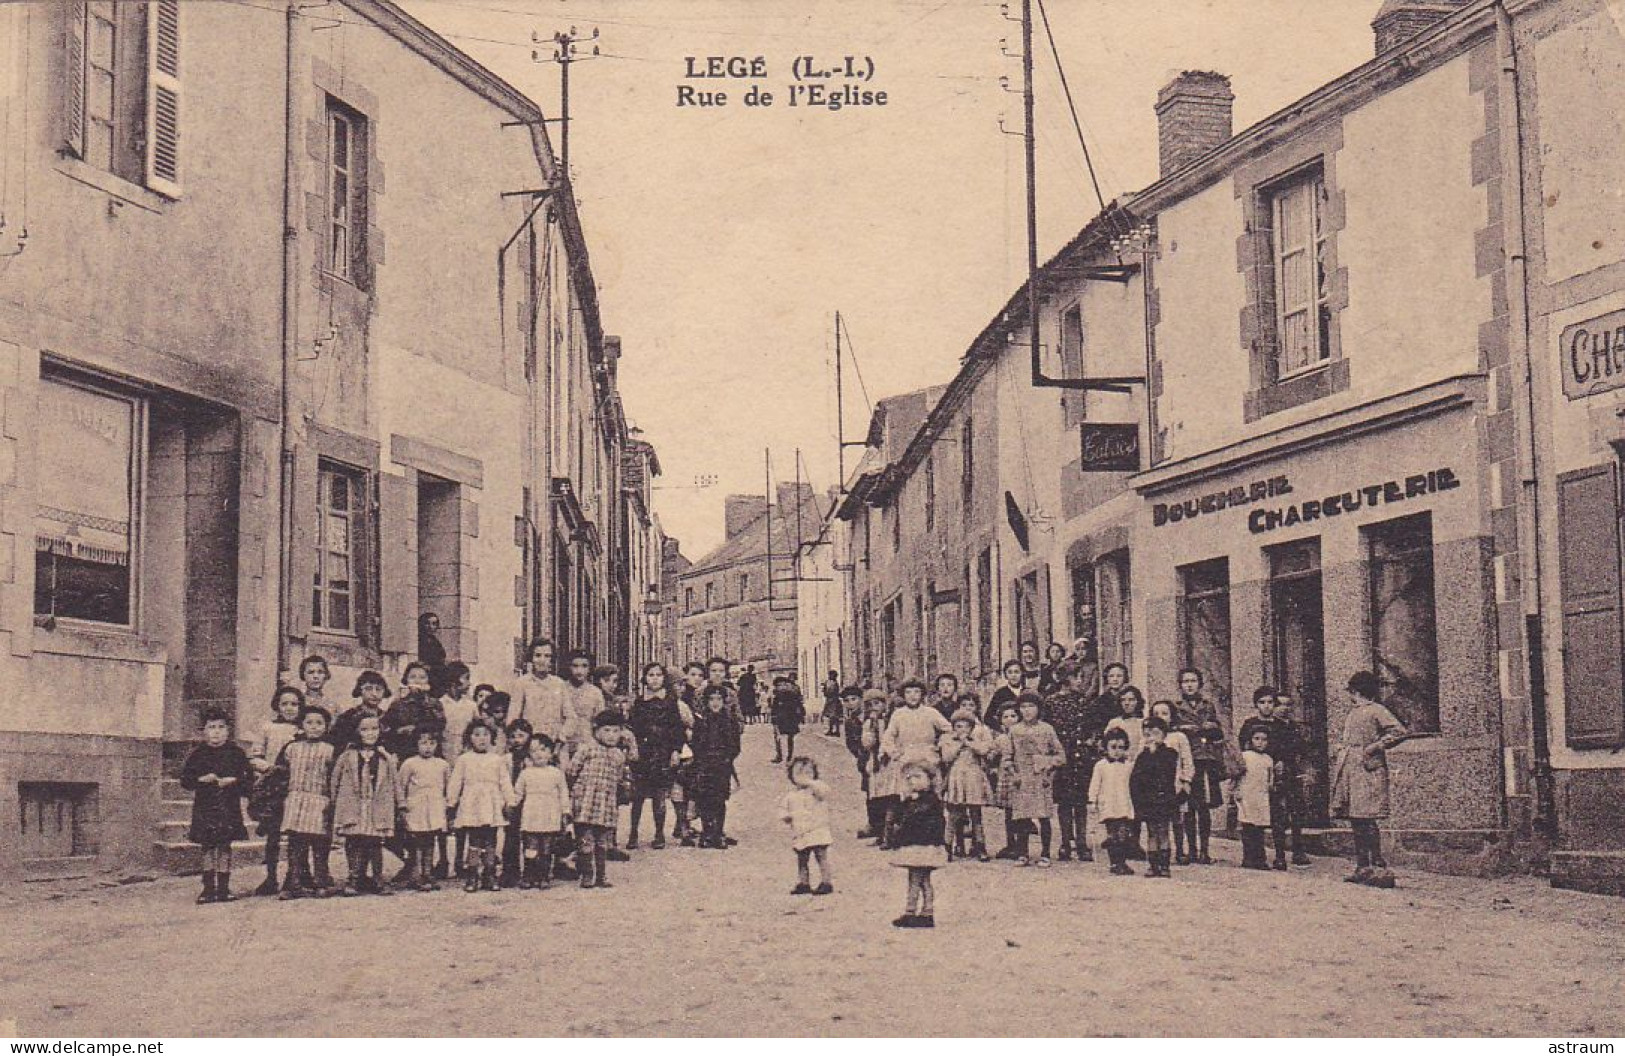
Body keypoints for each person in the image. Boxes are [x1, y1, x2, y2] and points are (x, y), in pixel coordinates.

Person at [1330, 671, 1409, 888]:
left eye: (1352, 691)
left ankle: (1377, 865)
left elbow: (1399, 731)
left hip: (1368, 769)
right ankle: (1362, 866)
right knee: (1356, 818)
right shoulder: (1355, 712)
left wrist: (1375, 747)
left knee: (1367, 817)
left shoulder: (1376, 710)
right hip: (1351, 768)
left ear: (1357, 691)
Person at [181, 707, 251, 904]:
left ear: (228, 731)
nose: (217, 731)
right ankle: (208, 888)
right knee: (207, 846)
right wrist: (201, 779)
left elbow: (248, 781)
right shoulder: (198, 754)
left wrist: (233, 781)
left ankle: (224, 888)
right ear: (204, 731)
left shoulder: (236, 753)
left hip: (228, 806)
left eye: (221, 727)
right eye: (212, 727)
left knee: (224, 846)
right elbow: (185, 781)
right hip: (205, 807)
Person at [331, 712, 401, 897]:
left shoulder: (385, 757)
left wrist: (399, 803)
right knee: (354, 841)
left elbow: (395, 782)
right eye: (364, 729)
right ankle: (354, 878)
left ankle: (378, 878)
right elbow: (335, 781)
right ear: (356, 731)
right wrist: (335, 803)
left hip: (376, 805)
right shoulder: (347, 756)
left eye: (374, 729)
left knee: (375, 842)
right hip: (354, 804)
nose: (370, 733)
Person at [1239, 687, 1309, 868]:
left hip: (1279, 774)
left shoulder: (1282, 726)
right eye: (1262, 702)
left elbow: (1290, 748)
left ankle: (1281, 855)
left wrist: (1281, 762)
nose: (1267, 706)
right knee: (1253, 815)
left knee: (1280, 814)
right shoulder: (1249, 724)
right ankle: (1254, 855)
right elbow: (1243, 749)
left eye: (1271, 702)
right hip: (1256, 776)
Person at [448, 718, 515, 893]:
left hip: (491, 803)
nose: (481, 738)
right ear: (469, 738)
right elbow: (456, 782)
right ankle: (472, 875)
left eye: (486, 734)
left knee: (491, 839)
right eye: (477, 735)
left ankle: (489, 874)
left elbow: (504, 782)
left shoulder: (497, 759)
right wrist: (451, 802)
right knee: (475, 839)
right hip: (472, 803)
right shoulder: (464, 759)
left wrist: (510, 801)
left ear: (492, 737)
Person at [248, 685, 304, 896]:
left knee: (295, 835)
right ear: (277, 706)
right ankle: (271, 877)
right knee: (273, 834)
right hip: (274, 787)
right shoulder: (267, 728)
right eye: (285, 704)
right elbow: (254, 757)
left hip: (296, 787)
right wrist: (269, 769)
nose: (289, 708)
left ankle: (294, 876)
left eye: (294, 704)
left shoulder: (304, 728)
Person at [278, 703, 338, 899]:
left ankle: (321, 882)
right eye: (309, 722)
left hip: (320, 800)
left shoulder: (330, 750)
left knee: (320, 844)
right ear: (301, 725)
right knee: (296, 844)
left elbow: (334, 777)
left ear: (326, 727)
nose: (314, 727)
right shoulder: (291, 748)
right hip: (296, 800)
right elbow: (280, 773)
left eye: (319, 723)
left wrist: (332, 800)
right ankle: (292, 883)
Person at [567, 710, 630, 889]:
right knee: (585, 841)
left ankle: (601, 876)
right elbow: (572, 771)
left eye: (616, 731)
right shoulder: (587, 748)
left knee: (602, 842)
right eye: (607, 730)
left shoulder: (618, 755)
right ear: (596, 731)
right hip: (585, 803)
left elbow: (618, 779)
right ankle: (587, 874)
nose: (611, 736)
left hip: (605, 805)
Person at [627, 662, 684, 851]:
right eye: (650, 675)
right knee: (638, 796)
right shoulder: (639, 702)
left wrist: (676, 751)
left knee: (660, 796)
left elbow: (677, 728)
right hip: (643, 754)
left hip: (662, 754)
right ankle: (633, 832)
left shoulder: (670, 702)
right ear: (645, 678)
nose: (655, 679)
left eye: (658, 675)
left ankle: (659, 833)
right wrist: (633, 748)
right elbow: (632, 727)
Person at [1046, 665, 1098, 862]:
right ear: (1066, 679)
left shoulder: (1084, 702)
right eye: (1077, 677)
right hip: (1062, 758)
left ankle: (1082, 843)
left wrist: (1091, 742)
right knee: (1064, 803)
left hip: (1081, 757)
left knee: (1081, 803)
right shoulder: (1051, 703)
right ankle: (1065, 843)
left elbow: (1092, 728)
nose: (1080, 681)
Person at [1175, 668, 1226, 864]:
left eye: (1193, 681)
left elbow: (1218, 731)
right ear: (1180, 685)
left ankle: (1205, 850)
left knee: (1204, 806)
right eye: (1185, 681)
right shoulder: (1177, 706)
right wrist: (1183, 728)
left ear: (1200, 684)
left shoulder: (1208, 705)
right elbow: (1170, 728)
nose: (1189, 685)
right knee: (1188, 808)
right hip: (1188, 760)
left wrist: (1211, 728)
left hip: (1206, 760)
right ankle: (1192, 850)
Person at [1008, 692, 1064, 866]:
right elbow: (1007, 756)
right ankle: (1022, 853)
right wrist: (1014, 773)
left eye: (1031, 706)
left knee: (1043, 816)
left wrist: (1048, 767)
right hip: (1022, 778)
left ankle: (1045, 852)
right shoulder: (1014, 730)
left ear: (1039, 709)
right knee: (1022, 817)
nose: (1027, 711)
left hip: (1041, 777)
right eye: (1023, 707)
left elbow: (1060, 756)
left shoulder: (1047, 729)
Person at [890, 762, 947, 928]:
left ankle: (911, 911)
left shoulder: (930, 801)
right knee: (923, 880)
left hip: (922, 846)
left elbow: (915, 820)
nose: (912, 781)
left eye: (918, 777)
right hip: (920, 846)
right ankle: (927, 912)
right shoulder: (915, 800)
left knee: (915, 879)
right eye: (909, 778)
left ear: (930, 779)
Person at [513, 734, 571, 888]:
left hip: (550, 814)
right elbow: (518, 793)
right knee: (530, 847)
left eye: (543, 749)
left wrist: (565, 811)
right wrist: (511, 804)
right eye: (534, 751)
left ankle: (543, 876)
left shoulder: (556, 773)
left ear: (551, 752)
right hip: (531, 814)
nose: (539, 754)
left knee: (546, 848)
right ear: (529, 754)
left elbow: (563, 793)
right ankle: (528, 875)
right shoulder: (526, 773)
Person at [396, 730, 450, 891]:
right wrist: (402, 807)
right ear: (416, 744)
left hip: (434, 806)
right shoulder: (410, 763)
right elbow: (401, 786)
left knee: (430, 841)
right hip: (416, 806)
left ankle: (428, 873)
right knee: (416, 842)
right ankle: (416, 875)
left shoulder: (442, 764)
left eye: (432, 743)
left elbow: (447, 787)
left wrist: (446, 806)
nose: (428, 747)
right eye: (423, 743)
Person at [940, 706, 995, 861]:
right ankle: (947, 847)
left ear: (971, 728)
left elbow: (984, 750)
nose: (962, 730)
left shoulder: (975, 741)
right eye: (958, 726)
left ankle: (980, 846)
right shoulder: (948, 741)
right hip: (957, 779)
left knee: (976, 815)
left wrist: (969, 743)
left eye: (966, 726)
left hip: (973, 780)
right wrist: (959, 745)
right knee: (953, 815)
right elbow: (946, 758)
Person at [690, 685, 742, 849]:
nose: (715, 703)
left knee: (719, 800)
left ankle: (718, 834)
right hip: (704, 765)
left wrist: (727, 758)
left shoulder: (729, 720)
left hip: (722, 765)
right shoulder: (701, 721)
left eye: (719, 699)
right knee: (705, 799)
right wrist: (700, 759)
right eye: (711, 699)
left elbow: (735, 745)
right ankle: (706, 833)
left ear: (724, 701)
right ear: (706, 702)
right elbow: (695, 743)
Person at [437, 662, 476, 879]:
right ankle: (443, 859)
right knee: (443, 813)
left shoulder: (470, 706)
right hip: (444, 760)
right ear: (454, 681)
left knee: (462, 814)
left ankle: (461, 858)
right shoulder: (440, 704)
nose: (468, 683)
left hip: (463, 763)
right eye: (465, 678)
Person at [1130, 716, 1181, 878]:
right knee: (1152, 832)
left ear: (1164, 735)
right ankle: (1153, 864)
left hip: (1165, 799)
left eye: (1155, 733)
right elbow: (1136, 778)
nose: (1151, 737)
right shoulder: (1142, 756)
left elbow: (1168, 772)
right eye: (1147, 734)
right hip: (1148, 800)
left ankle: (1165, 865)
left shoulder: (1170, 753)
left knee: (1164, 831)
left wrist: (1153, 754)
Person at [1149, 700, 1195, 863]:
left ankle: (1180, 850)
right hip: (1155, 787)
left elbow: (1187, 760)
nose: (1160, 717)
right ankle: (1161, 851)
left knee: (1178, 819)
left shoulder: (1178, 737)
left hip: (1175, 784)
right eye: (1156, 714)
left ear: (1172, 716)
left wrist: (1186, 781)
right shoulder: (1148, 738)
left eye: (1165, 713)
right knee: (1158, 821)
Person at [781, 756, 835, 895]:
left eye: (808, 772)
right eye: (799, 773)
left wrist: (812, 783)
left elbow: (825, 792)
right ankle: (804, 882)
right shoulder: (791, 795)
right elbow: (783, 808)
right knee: (802, 858)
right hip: (801, 831)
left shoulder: (816, 790)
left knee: (821, 856)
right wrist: (785, 816)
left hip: (818, 829)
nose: (804, 777)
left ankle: (826, 881)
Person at [1089, 727, 1136, 875]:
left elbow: (1132, 785)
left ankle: (1121, 862)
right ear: (1106, 747)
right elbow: (1095, 784)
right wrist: (1092, 801)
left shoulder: (1129, 766)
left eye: (1121, 747)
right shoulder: (1101, 765)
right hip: (1108, 805)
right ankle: (1114, 863)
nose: (1117, 751)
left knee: (1123, 834)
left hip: (1123, 804)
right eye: (1113, 747)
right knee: (1112, 835)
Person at [382, 661, 445, 764]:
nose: (417, 681)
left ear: (428, 681)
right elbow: (388, 731)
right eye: (412, 677)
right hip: (405, 754)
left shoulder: (435, 704)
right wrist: (400, 731)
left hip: (430, 754)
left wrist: (425, 702)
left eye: (422, 677)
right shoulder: (398, 704)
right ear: (406, 680)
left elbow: (439, 726)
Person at [513, 638, 568, 741]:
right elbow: (513, 718)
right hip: (529, 741)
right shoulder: (521, 683)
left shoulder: (559, 684)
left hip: (554, 741)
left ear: (552, 660)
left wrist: (562, 734)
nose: (542, 660)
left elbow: (571, 717)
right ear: (531, 658)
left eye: (547, 656)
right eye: (537, 655)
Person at [1236, 725, 1275, 870]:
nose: (1260, 742)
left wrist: (1270, 787)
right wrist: (1236, 792)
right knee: (1248, 827)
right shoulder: (1245, 756)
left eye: (1264, 739)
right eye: (1257, 739)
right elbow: (1237, 776)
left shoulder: (1268, 759)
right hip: (1247, 794)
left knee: (1259, 828)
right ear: (1250, 740)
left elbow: (1270, 779)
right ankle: (1248, 858)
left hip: (1261, 796)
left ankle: (1260, 859)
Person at [858, 690, 895, 843]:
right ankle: (880, 833)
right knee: (877, 799)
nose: (874, 708)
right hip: (876, 764)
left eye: (877, 703)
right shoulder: (868, 723)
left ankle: (890, 833)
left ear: (884, 705)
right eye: (870, 705)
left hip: (890, 763)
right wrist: (872, 728)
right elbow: (867, 744)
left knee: (891, 798)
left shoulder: (891, 721)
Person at [500, 719, 534, 886]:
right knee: (511, 838)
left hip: (530, 803)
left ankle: (531, 871)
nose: (517, 740)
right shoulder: (505, 759)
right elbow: (502, 780)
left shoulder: (533, 759)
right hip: (512, 802)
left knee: (530, 838)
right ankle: (510, 872)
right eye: (513, 736)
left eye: (521, 736)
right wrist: (506, 802)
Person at [990, 701, 1022, 859]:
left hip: (1020, 776)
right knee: (1008, 813)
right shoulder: (1001, 738)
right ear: (1000, 720)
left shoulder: (1022, 734)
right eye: (1006, 717)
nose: (1010, 719)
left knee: (1020, 812)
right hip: (1006, 777)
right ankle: (1010, 844)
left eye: (1013, 716)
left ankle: (1021, 845)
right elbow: (992, 755)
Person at [330, 670, 389, 752]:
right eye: (368, 689)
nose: (374, 694)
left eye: (378, 689)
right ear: (360, 691)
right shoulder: (347, 717)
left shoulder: (388, 717)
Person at [770, 674, 806, 763]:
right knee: (790, 737)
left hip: (780, 715)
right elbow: (799, 702)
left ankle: (779, 756)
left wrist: (773, 715)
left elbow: (774, 704)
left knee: (777, 735)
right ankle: (789, 756)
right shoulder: (794, 688)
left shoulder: (777, 690)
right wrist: (801, 715)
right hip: (791, 715)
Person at [983, 660, 1026, 728]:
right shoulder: (1000, 693)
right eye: (1010, 672)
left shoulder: (1027, 692)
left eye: (1016, 672)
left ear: (1022, 673)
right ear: (1006, 675)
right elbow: (988, 718)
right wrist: (1001, 727)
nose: (1013, 675)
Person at [417, 612, 448, 689]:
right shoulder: (418, 641)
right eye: (427, 623)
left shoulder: (436, 643)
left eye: (434, 624)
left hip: (436, 677)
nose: (430, 627)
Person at [822, 670, 843, 735]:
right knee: (830, 717)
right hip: (830, 701)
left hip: (834, 701)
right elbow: (825, 692)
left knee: (835, 717)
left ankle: (836, 731)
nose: (833, 676)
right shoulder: (828, 682)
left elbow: (836, 692)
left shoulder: (835, 683)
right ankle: (831, 730)